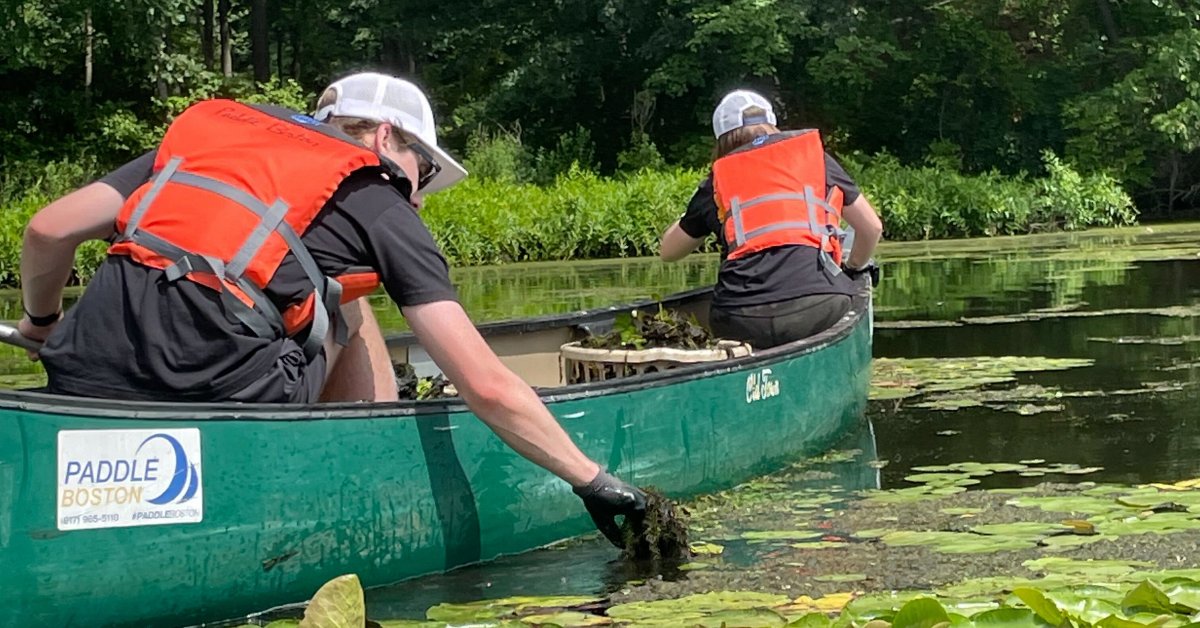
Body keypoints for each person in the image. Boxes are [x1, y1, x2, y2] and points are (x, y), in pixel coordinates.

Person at [18, 71, 645, 546]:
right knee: (352, 300)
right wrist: (591, 480)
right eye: (421, 174)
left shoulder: (211, 144)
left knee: (331, 287)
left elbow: (48, 231)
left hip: (79, 380)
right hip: (213, 405)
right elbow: (484, 383)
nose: (418, 197)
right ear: (383, 137)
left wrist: (41, 325)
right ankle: (359, 450)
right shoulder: (378, 201)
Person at [659, 89, 884, 349]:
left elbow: (668, 252)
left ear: (720, 139)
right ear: (773, 124)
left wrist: (695, 209)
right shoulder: (815, 160)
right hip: (820, 306)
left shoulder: (717, 182)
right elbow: (872, 227)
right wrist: (854, 267)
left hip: (740, 318)